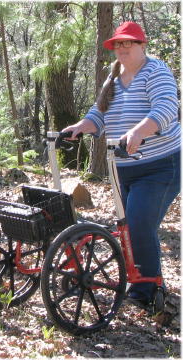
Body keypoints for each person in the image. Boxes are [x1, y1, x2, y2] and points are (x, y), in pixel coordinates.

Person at [62, 21, 181, 307]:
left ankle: (147, 290)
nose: (123, 48)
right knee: (128, 226)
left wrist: (140, 131)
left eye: (129, 42)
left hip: (160, 165)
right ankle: (138, 278)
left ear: (143, 45)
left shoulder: (156, 71)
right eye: (118, 43)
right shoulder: (113, 78)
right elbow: (98, 115)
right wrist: (81, 126)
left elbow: (166, 108)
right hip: (123, 168)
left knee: (139, 222)